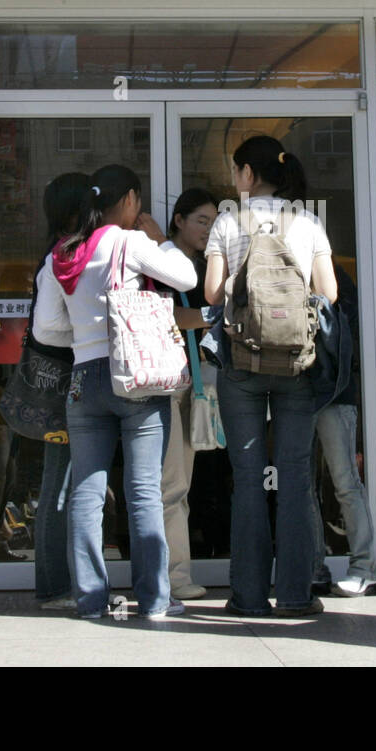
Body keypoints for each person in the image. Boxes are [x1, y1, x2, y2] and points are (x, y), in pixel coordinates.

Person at [34, 164, 196, 620]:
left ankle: (89, 600)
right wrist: (160, 238)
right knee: (142, 490)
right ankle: (154, 600)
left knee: (87, 491)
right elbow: (186, 277)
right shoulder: (130, 242)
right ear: (128, 201)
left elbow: (46, 328)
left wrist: (86, 338)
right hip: (137, 379)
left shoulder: (62, 254)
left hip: (84, 380)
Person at [205, 135, 337, 618]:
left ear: (245, 174)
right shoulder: (307, 222)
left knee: (248, 479)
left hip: (241, 363)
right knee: (295, 477)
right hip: (297, 364)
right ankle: (298, 594)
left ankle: (249, 596)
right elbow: (330, 292)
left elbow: (214, 293)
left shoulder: (227, 221)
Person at [33, 171, 89, 612]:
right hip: (64, 384)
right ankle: (54, 585)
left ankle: (67, 582)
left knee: (72, 482)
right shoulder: (61, 255)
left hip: (72, 382)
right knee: (61, 481)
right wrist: (88, 331)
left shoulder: (62, 250)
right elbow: (48, 327)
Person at [161, 187, 219, 601]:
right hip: (169, 385)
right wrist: (217, 316)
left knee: (183, 484)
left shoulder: (204, 266)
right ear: (178, 219)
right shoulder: (164, 262)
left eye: (214, 223)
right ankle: (173, 577)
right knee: (172, 486)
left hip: (194, 383)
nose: (209, 229)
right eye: (201, 220)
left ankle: (173, 574)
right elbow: (169, 314)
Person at [309, 263, 376, 597]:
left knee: (343, 483)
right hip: (310, 392)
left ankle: (364, 566)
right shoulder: (286, 270)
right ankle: (315, 567)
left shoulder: (336, 277)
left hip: (331, 391)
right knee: (307, 487)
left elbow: (346, 336)